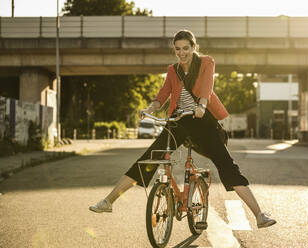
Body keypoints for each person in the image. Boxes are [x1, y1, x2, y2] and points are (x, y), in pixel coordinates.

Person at [89, 30, 276, 229]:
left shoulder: (206, 63)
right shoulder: (172, 70)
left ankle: (259, 215)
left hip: (202, 122)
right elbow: (162, 95)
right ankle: (108, 201)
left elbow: (206, 86)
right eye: (178, 49)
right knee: (148, 158)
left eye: (186, 48)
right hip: (178, 122)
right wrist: (149, 108)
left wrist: (202, 106)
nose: (182, 52)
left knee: (228, 166)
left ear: (194, 47)